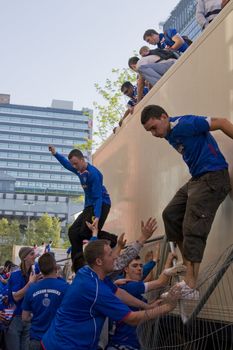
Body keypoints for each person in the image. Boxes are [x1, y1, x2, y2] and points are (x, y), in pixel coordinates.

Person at [140, 105, 232, 298]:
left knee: (192, 225)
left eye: (154, 127)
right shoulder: (168, 135)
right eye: (149, 131)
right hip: (197, 179)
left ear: (164, 117)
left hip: (214, 176)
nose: (153, 134)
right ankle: (186, 262)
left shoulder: (186, 123)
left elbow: (222, 122)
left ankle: (191, 283)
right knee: (170, 214)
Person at [42, 240, 180, 350]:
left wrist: (148, 306)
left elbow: (119, 292)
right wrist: (167, 308)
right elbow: (131, 318)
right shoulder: (95, 289)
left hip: (59, 341)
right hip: (64, 345)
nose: (115, 256)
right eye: (110, 254)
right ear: (99, 262)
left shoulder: (88, 272)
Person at [48, 145, 111, 260]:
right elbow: (67, 164)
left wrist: (97, 216)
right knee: (73, 231)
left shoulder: (93, 174)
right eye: (73, 164)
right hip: (90, 205)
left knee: (85, 232)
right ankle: (77, 261)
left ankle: (111, 239)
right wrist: (55, 154)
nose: (74, 166)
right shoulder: (79, 170)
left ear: (82, 160)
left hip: (101, 204)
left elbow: (98, 198)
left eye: (76, 163)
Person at [107, 253, 181, 350]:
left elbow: (142, 310)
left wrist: (154, 304)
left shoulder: (129, 287)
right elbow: (161, 282)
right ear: (125, 269)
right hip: (123, 344)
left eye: (141, 266)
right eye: (135, 266)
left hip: (129, 342)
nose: (140, 268)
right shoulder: (127, 286)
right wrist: (169, 260)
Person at [22, 253, 68, 350]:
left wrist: (36, 316)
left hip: (36, 339)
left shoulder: (32, 289)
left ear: (41, 270)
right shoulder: (66, 287)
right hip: (57, 340)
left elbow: (25, 317)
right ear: (55, 267)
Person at [5, 247, 41, 350]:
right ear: (24, 257)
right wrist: (30, 283)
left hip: (30, 318)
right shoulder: (16, 275)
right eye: (32, 254)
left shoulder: (35, 273)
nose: (35, 256)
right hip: (16, 318)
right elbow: (16, 297)